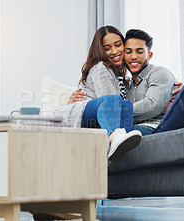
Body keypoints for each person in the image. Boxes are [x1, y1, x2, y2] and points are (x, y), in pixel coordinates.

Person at [69, 29, 182, 135]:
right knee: (104, 131)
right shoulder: (126, 86)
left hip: (154, 127)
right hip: (131, 126)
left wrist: (114, 111)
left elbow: (152, 105)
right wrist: (78, 105)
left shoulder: (159, 73)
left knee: (108, 133)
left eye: (139, 52)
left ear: (150, 55)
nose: (133, 57)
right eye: (128, 52)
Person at [54, 25, 141, 161]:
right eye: (107, 48)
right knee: (113, 100)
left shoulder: (122, 76)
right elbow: (109, 101)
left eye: (118, 45)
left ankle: (116, 148)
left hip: (98, 114)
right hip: (82, 112)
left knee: (127, 105)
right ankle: (113, 136)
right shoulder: (101, 67)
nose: (114, 51)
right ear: (100, 51)